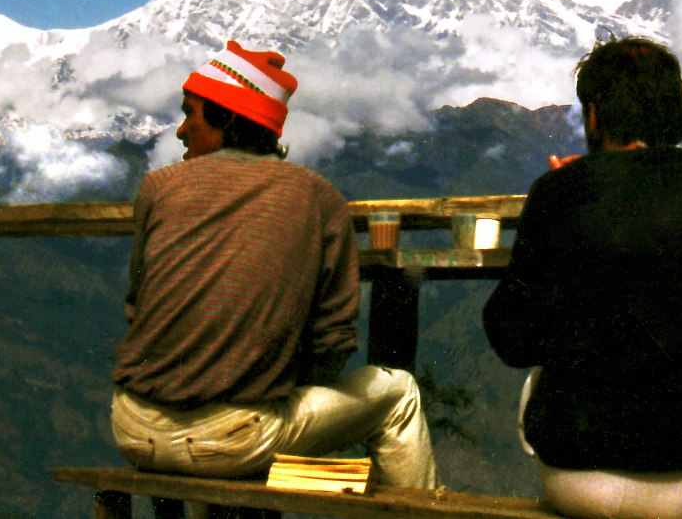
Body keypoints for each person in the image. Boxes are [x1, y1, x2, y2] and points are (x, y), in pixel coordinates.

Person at [484, 37, 682, 519]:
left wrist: (581, 188)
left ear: (592, 115)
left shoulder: (558, 191)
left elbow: (513, 340)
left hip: (578, 477)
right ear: (676, 112)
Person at [110, 41, 437, 490]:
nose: (182, 130)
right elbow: (333, 340)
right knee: (398, 393)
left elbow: (137, 308)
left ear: (225, 118)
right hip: (233, 440)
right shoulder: (319, 198)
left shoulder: (158, 187)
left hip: (132, 429)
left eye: (191, 113)